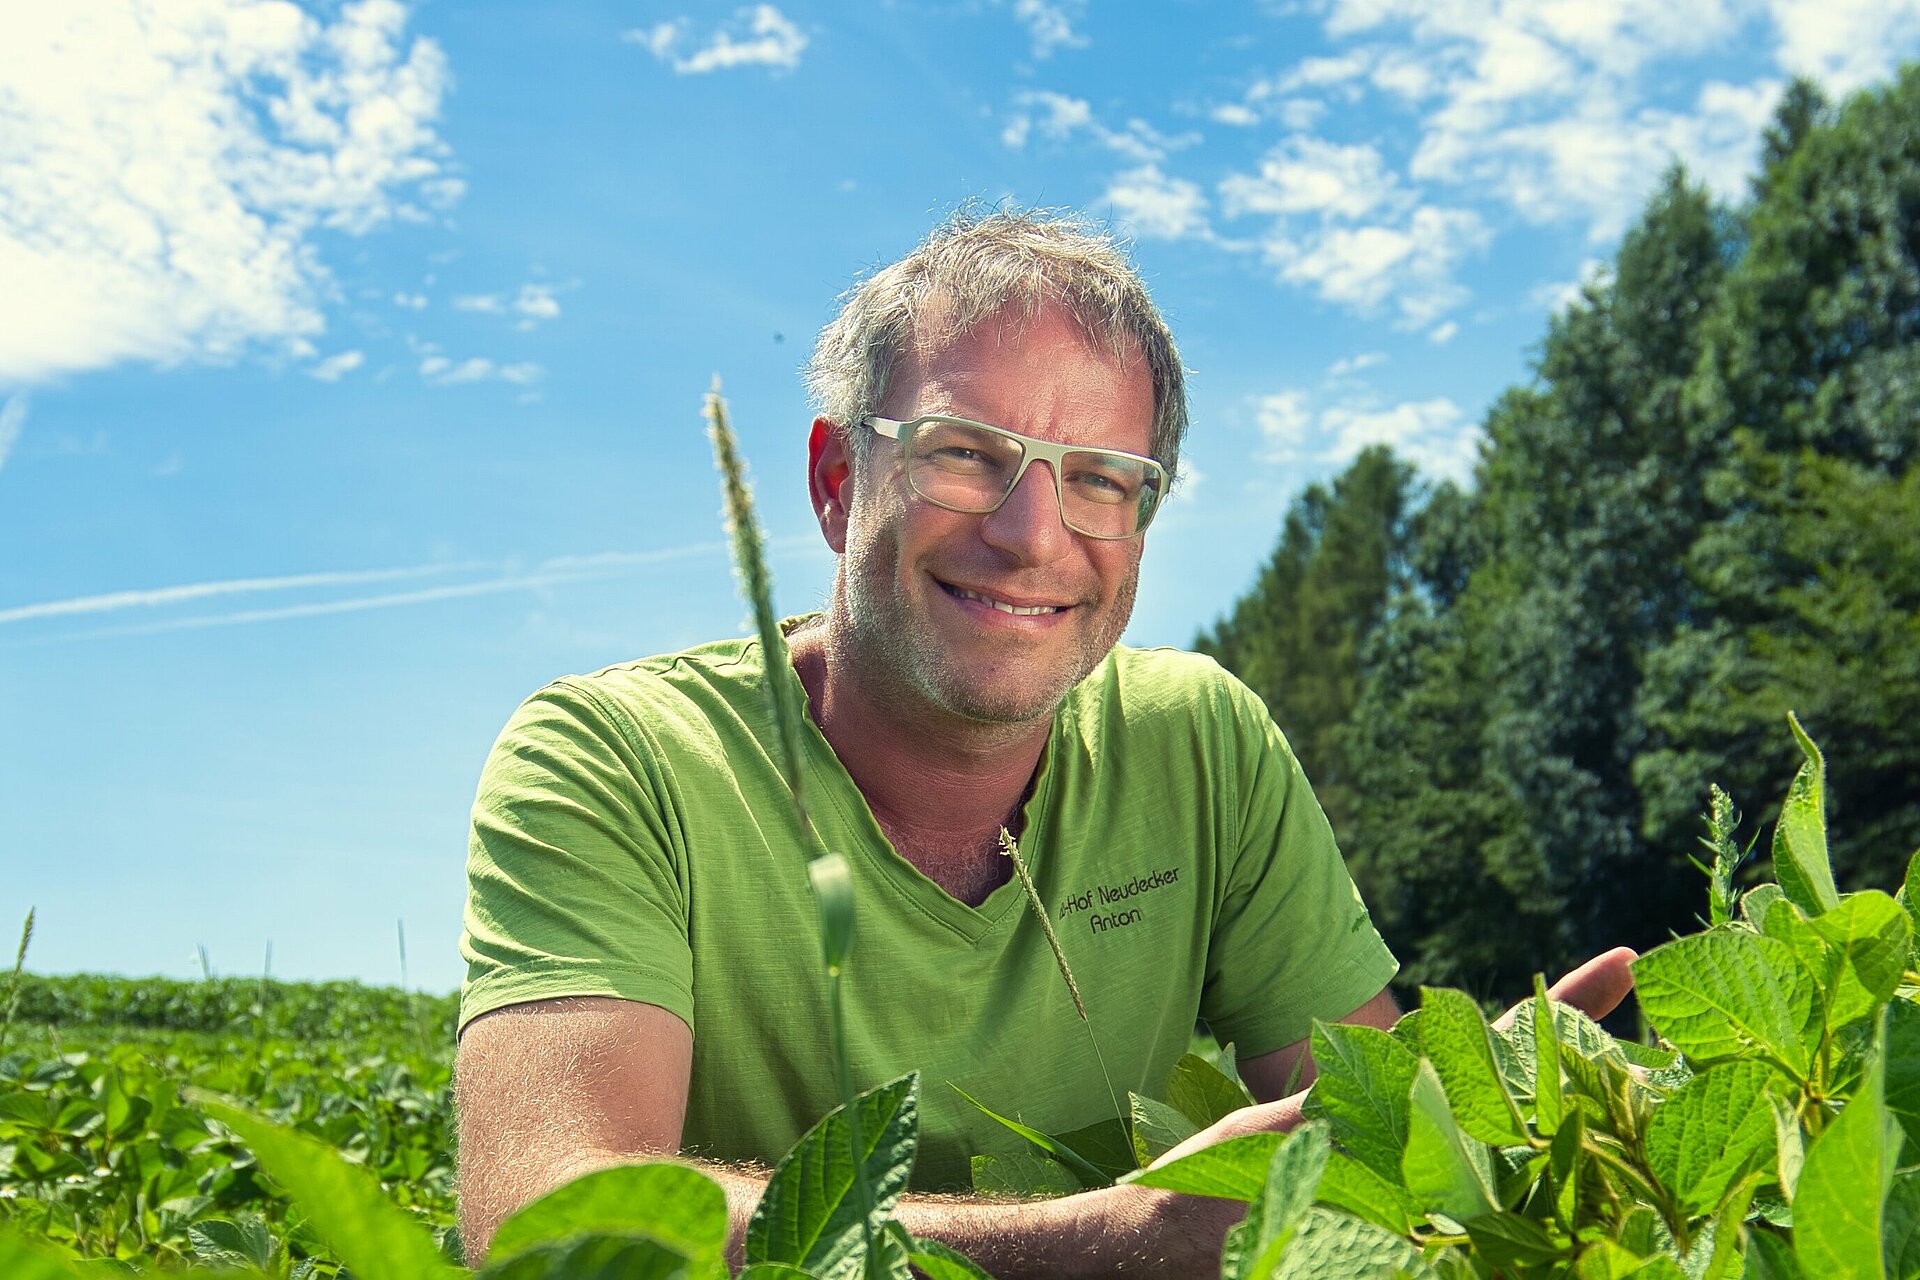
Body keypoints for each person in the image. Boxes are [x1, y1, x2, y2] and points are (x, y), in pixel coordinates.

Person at [453, 208, 1636, 1276]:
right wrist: (1112, 1240)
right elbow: (550, 1227)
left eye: (1102, 478)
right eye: (963, 452)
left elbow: (1352, 1132)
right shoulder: (615, 758)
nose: (1034, 535)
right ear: (833, 479)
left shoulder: (1202, 743)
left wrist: (1492, 1116)